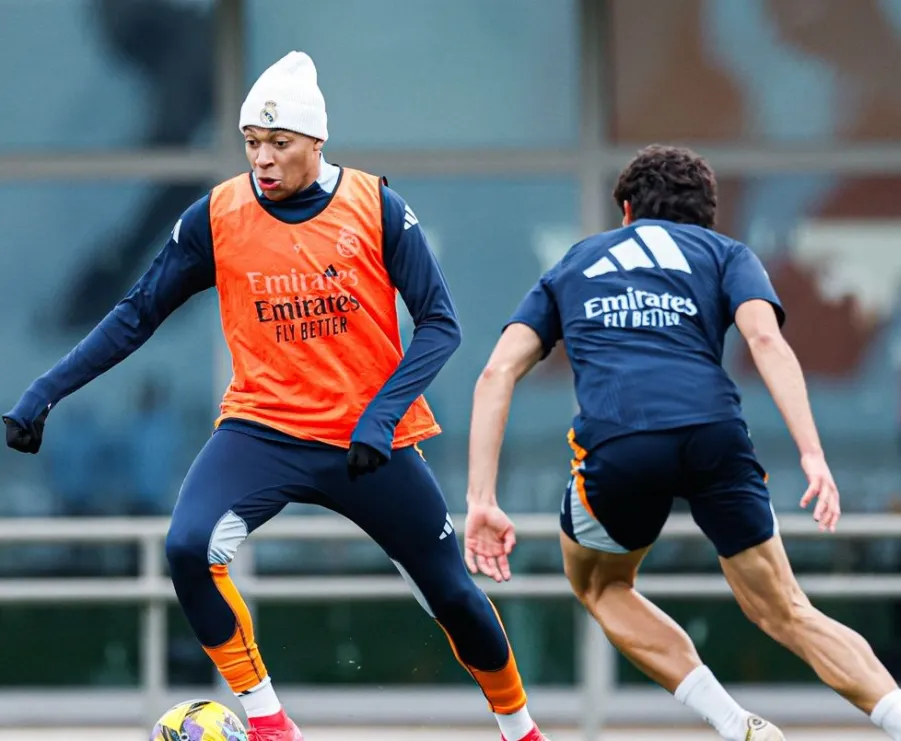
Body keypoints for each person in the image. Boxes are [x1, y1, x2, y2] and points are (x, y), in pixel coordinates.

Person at [4, 51, 547, 741]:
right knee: (187, 547)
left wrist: (381, 416)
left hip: (367, 445)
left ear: (317, 142)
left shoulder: (376, 205)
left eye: (279, 143)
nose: (262, 158)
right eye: (252, 143)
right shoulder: (218, 215)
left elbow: (442, 325)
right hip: (261, 430)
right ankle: (268, 721)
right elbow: (138, 312)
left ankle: (522, 729)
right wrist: (44, 392)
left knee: (455, 597)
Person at [461, 144, 901, 741]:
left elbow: (496, 373)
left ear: (628, 211)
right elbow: (766, 343)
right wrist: (812, 454)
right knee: (787, 609)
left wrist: (481, 498)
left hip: (621, 444)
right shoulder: (727, 254)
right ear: (705, 218)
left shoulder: (573, 264)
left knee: (602, 585)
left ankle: (733, 722)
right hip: (714, 437)